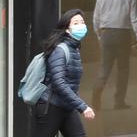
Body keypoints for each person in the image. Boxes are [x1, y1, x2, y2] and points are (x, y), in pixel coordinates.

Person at [32, 9, 96, 137]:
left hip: (67, 106)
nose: (81, 26)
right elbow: (59, 83)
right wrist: (82, 106)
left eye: (82, 22)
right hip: (51, 106)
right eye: (76, 23)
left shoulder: (74, 49)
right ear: (67, 29)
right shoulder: (60, 50)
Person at [91, 0, 137, 109]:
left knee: (104, 67)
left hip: (106, 32)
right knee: (123, 68)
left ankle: (96, 99)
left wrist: (98, 34)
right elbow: (135, 18)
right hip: (122, 33)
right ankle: (119, 101)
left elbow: (96, 16)